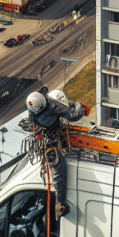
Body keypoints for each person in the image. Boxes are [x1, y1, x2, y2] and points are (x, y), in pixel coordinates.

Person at [26, 89, 90, 220]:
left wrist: (76, 105)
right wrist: (78, 105)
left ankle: (59, 202)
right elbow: (74, 115)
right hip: (49, 140)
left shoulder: (39, 107)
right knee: (58, 169)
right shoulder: (46, 107)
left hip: (48, 136)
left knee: (57, 169)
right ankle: (60, 203)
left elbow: (64, 109)